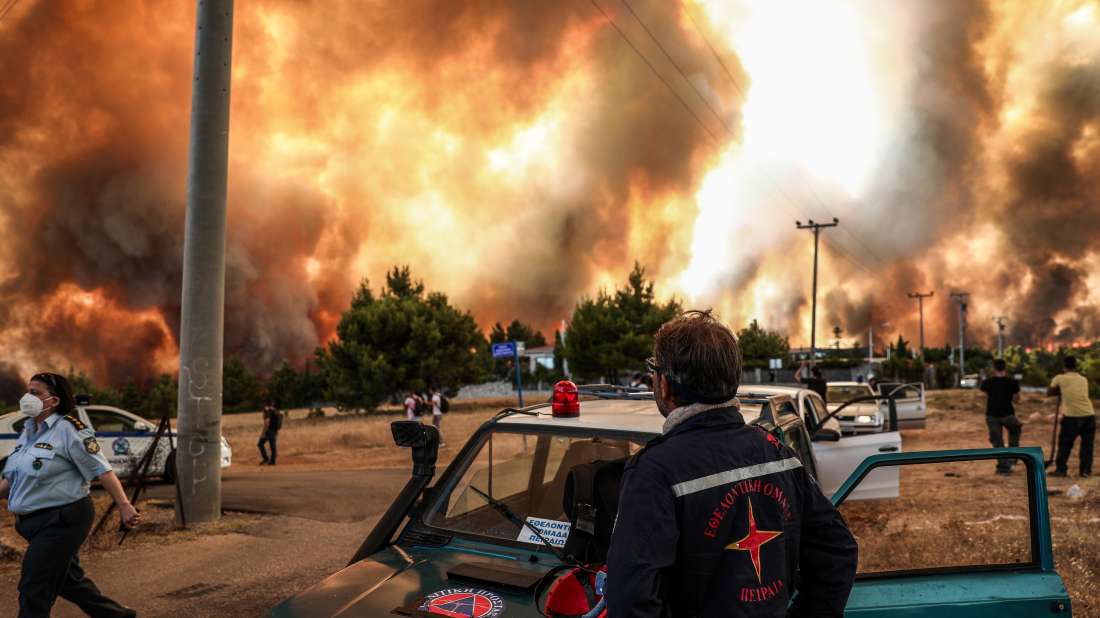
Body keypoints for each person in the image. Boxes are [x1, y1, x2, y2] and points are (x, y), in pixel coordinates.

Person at [607, 311, 857, 617]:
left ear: (666, 386)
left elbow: (630, 600)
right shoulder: (777, 453)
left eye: (655, 371)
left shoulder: (655, 471)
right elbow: (838, 549)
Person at [0, 372, 140, 617]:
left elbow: (102, 470)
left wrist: (124, 505)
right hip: (32, 523)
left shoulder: (70, 429)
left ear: (53, 401)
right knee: (68, 581)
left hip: (63, 519)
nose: (27, 397)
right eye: (27, 391)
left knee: (35, 585)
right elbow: (11, 480)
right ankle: (117, 616)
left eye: (35, 393)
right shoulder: (28, 430)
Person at [1047, 356, 1095, 478]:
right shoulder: (1083, 379)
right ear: (1076, 366)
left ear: (1064, 367)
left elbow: (1049, 392)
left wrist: (1058, 390)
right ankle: (1085, 471)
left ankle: (1061, 470)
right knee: (1087, 446)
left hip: (1072, 417)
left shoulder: (1060, 378)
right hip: (1089, 415)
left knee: (1065, 444)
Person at [980, 359, 1022, 474]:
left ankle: (1003, 466)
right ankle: (1013, 459)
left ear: (994, 369)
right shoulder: (1012, 382)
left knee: (997, 441)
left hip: (992, 415)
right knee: (1015, 432)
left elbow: (983, 396)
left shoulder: (987, 382)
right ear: (1005, 369)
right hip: (1008, 414)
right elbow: (1016, 400)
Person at [258, 400, 284, 466]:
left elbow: (267, 422)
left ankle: (266, 458)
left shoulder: (268, 412)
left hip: (269, 431)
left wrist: (263, 433)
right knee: (273, 446)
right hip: (275, 430)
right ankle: (273, 461)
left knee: (260, 444)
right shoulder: (276, 411)